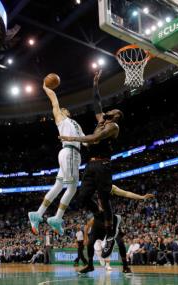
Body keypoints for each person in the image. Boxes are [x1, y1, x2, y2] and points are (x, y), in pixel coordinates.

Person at [59, 70, 124, 258]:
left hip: (103, 165)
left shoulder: (113, 127)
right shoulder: (102, 121)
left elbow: (95, 138)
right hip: (91, 165)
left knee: (104, 199)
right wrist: (95, 84)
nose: (110, 110)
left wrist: (71, 137)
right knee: (83, 198)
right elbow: (97, 103)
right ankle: (101, 216)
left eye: (114, 111)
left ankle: (111, 233)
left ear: (117, 116)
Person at [29, 83, 84, 235]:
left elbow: (86, 140)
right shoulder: (61, 119)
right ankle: (57, 218)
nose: (62, 109)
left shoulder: (76, 124)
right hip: (70, 152)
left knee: (58, 186)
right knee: (72, 187)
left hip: (71, 154)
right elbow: (54, 100)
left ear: (69, 112)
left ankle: (37, 214)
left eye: (64, 109)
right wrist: (46, 87)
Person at [79, 185, 154, 274]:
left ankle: (125, 266)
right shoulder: (93, 184)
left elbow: (126, 193)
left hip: (109, 219)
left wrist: (142, 197)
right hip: (98, 221)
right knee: (90, 243)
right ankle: (90, 266)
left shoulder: (110, 187)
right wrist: (86, 237)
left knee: (120, 242)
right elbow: (87, 224)